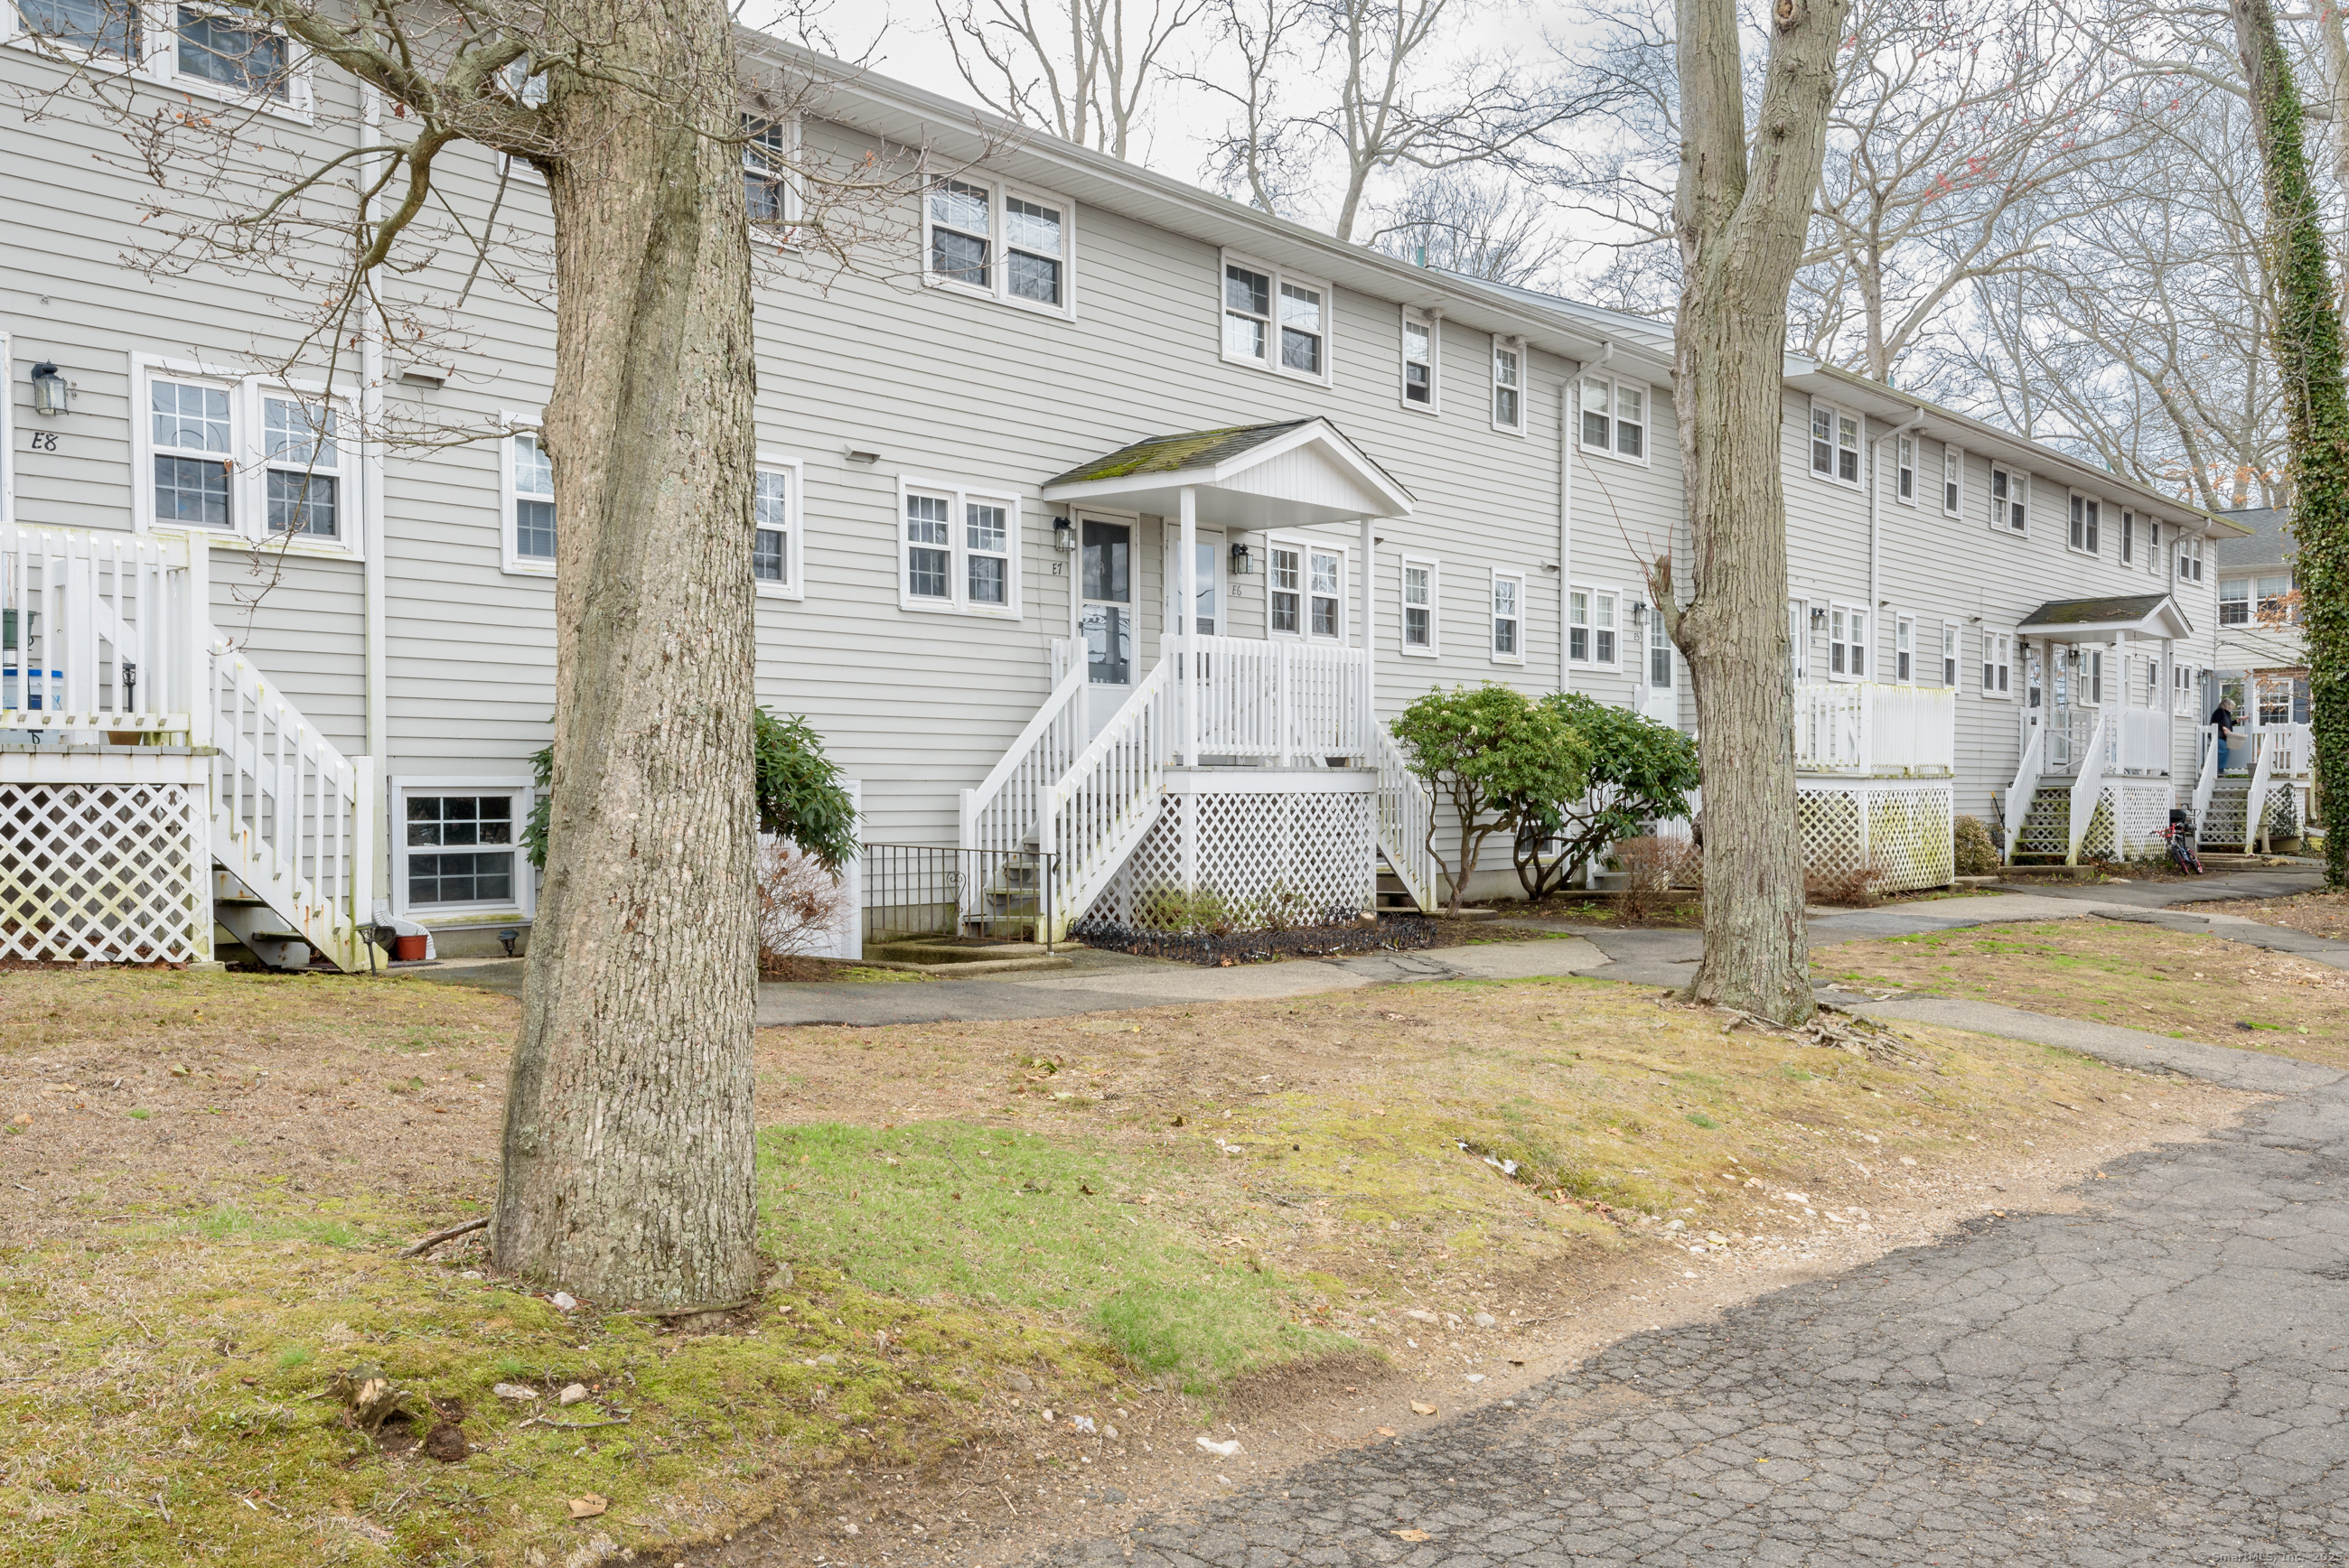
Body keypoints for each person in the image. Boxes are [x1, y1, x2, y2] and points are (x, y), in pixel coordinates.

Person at [2211, 696, 2240, 771]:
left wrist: (2237, 720)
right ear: (2227, 705)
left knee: (2225, 751)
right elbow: (2215, 722)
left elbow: (2228, 724)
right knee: (2223, 751)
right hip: (2218, 736)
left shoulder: (2226, 713)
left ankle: (2220, 770)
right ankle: (2219, 770)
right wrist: (2224, 728)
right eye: (2231, 706)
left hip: (2223, 737)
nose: (2231, 708)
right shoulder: (2219, 711)